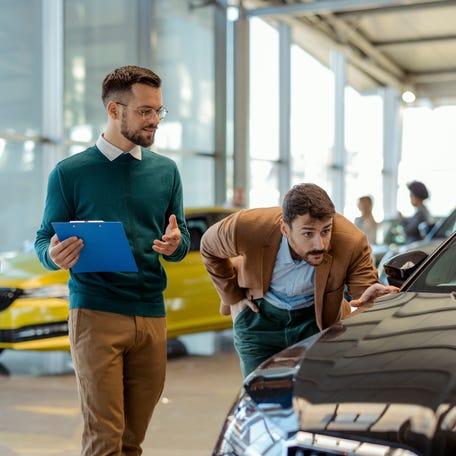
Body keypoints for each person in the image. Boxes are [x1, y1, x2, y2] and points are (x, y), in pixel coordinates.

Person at [34, 65, 190, 456]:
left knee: (132, 441)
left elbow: (182, 237)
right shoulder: (70, 173)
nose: (154, 120)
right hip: (95, 315)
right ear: (114, 110)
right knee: (104, 439)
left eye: (159, 111)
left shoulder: (166, 172)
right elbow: (42, 241)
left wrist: (176, 244)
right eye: (144, 111)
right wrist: (53, 255)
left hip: (152, 316)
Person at [200, 183, 398, 377]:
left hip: (315, 321)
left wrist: (374, 300)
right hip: (259, 318)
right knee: (260, 394)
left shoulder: (352, 241)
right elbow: (208, 246)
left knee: (315, 393)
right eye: (308, 233)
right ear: (285, 229)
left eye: (325, 231)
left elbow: (364, 291)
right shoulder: (248, 226)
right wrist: (233, 296)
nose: (319, 243)